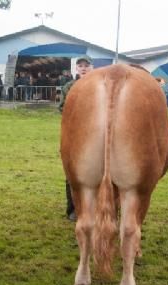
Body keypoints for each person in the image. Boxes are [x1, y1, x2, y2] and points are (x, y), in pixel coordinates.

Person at [59, 56, 94, 222]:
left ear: (91, 67)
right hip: (76, 134)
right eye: (80, 66)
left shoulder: (99, 85)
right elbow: (62, 108)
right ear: (76, 69)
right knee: (72, 171)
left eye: (86, 65)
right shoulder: (69, 87)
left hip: (95, 134)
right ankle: (73, 208)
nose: (83, 68)